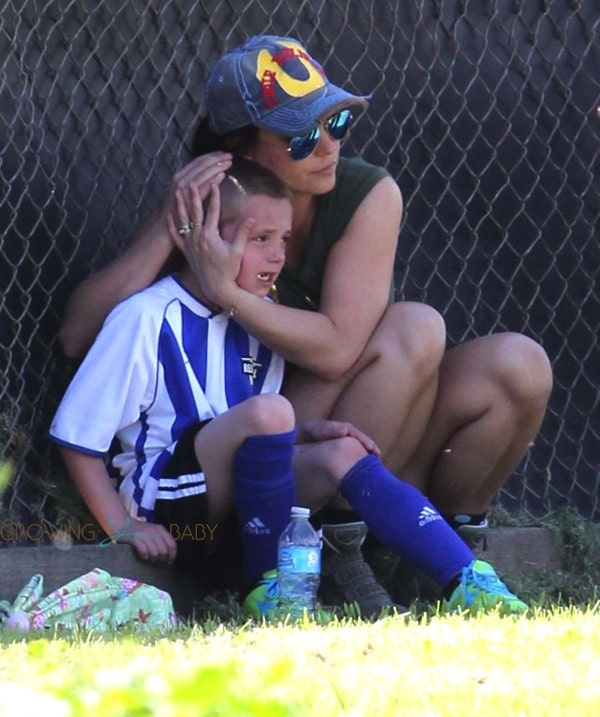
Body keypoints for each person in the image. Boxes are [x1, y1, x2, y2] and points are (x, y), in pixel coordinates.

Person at [58, 35, 553, 613]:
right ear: (236, 148)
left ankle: (453, 565)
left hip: (315, 427)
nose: (328, 146)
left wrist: (230, 294)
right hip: (209, 476)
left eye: (336, 120)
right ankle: (323, 557)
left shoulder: (365, 192)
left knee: (508, 362)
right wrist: (176, 224)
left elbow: (339, 349)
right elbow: (77, 337)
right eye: (300, 135)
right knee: (385, 350)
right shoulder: (207, 218)